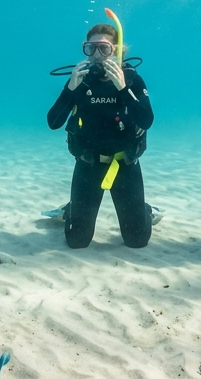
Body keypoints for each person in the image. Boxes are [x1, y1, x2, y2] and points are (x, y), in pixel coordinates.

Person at [45, 22, 157, 248]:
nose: (96, 55)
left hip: (125, 163)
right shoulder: (79, 80)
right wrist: (70, 89)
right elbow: (53, 122)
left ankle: (144, 210)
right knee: (77, 241)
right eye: (90, 48)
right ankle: (71, 210)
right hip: (88, 164)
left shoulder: (131, 80)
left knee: (137, 241)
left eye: (104, 48)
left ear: (117, 50)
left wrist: (123, 88)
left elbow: (146, 120)